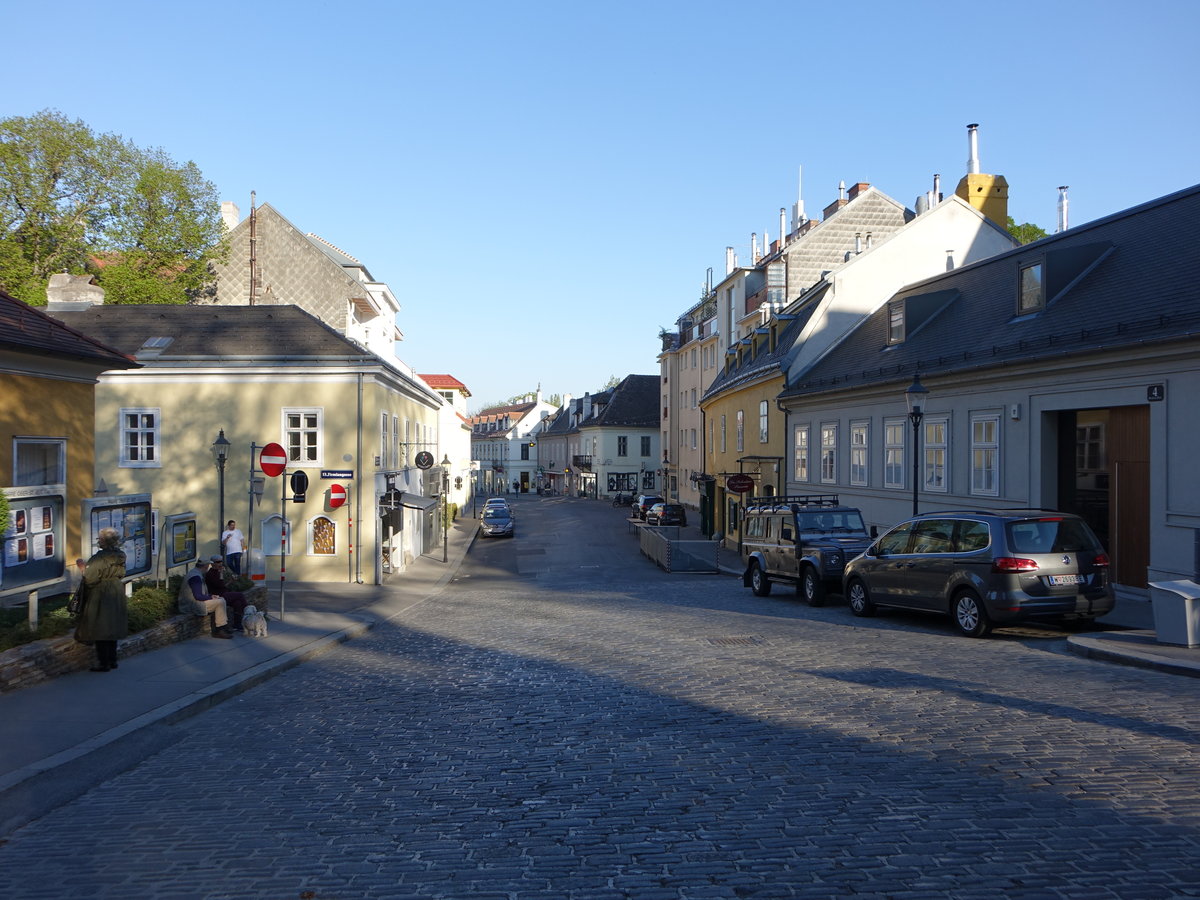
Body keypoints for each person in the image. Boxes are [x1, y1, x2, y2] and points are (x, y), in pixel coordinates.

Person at [75, 528, 128, 672]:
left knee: (100, 626)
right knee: (112, 626)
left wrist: (82, 568)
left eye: (100, 538)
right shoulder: (120, 555)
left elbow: (90, 578)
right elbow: (122, 573)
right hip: (116, 590)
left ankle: (103, 663)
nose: (98, 540)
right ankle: (113, 660)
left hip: (101, 592)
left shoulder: (99, 558)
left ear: (104, 541)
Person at [177, 558, 233, 639]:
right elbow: (198, 596)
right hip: (192, 604)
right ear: (205, 566)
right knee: (221, 602)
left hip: (192, 602)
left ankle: (222, 627)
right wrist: (210, 597)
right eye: (208, 565)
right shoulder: (195, 577)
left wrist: (211, 596)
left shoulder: (195, 573)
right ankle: (219, 630)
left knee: (220, 600)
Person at [204, 555, 248, 631]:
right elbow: (219, 585)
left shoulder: (217, 572)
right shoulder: (210, 573)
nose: (220, 563)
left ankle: (237, 625)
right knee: (240, 595)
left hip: (223, 593)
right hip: (218, 596)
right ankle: (248, 612)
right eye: (218, 562)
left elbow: (223, 586)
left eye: (221, 561)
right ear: (212, 563)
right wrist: (221, 573)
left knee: (237, 603)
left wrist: (231, 581)